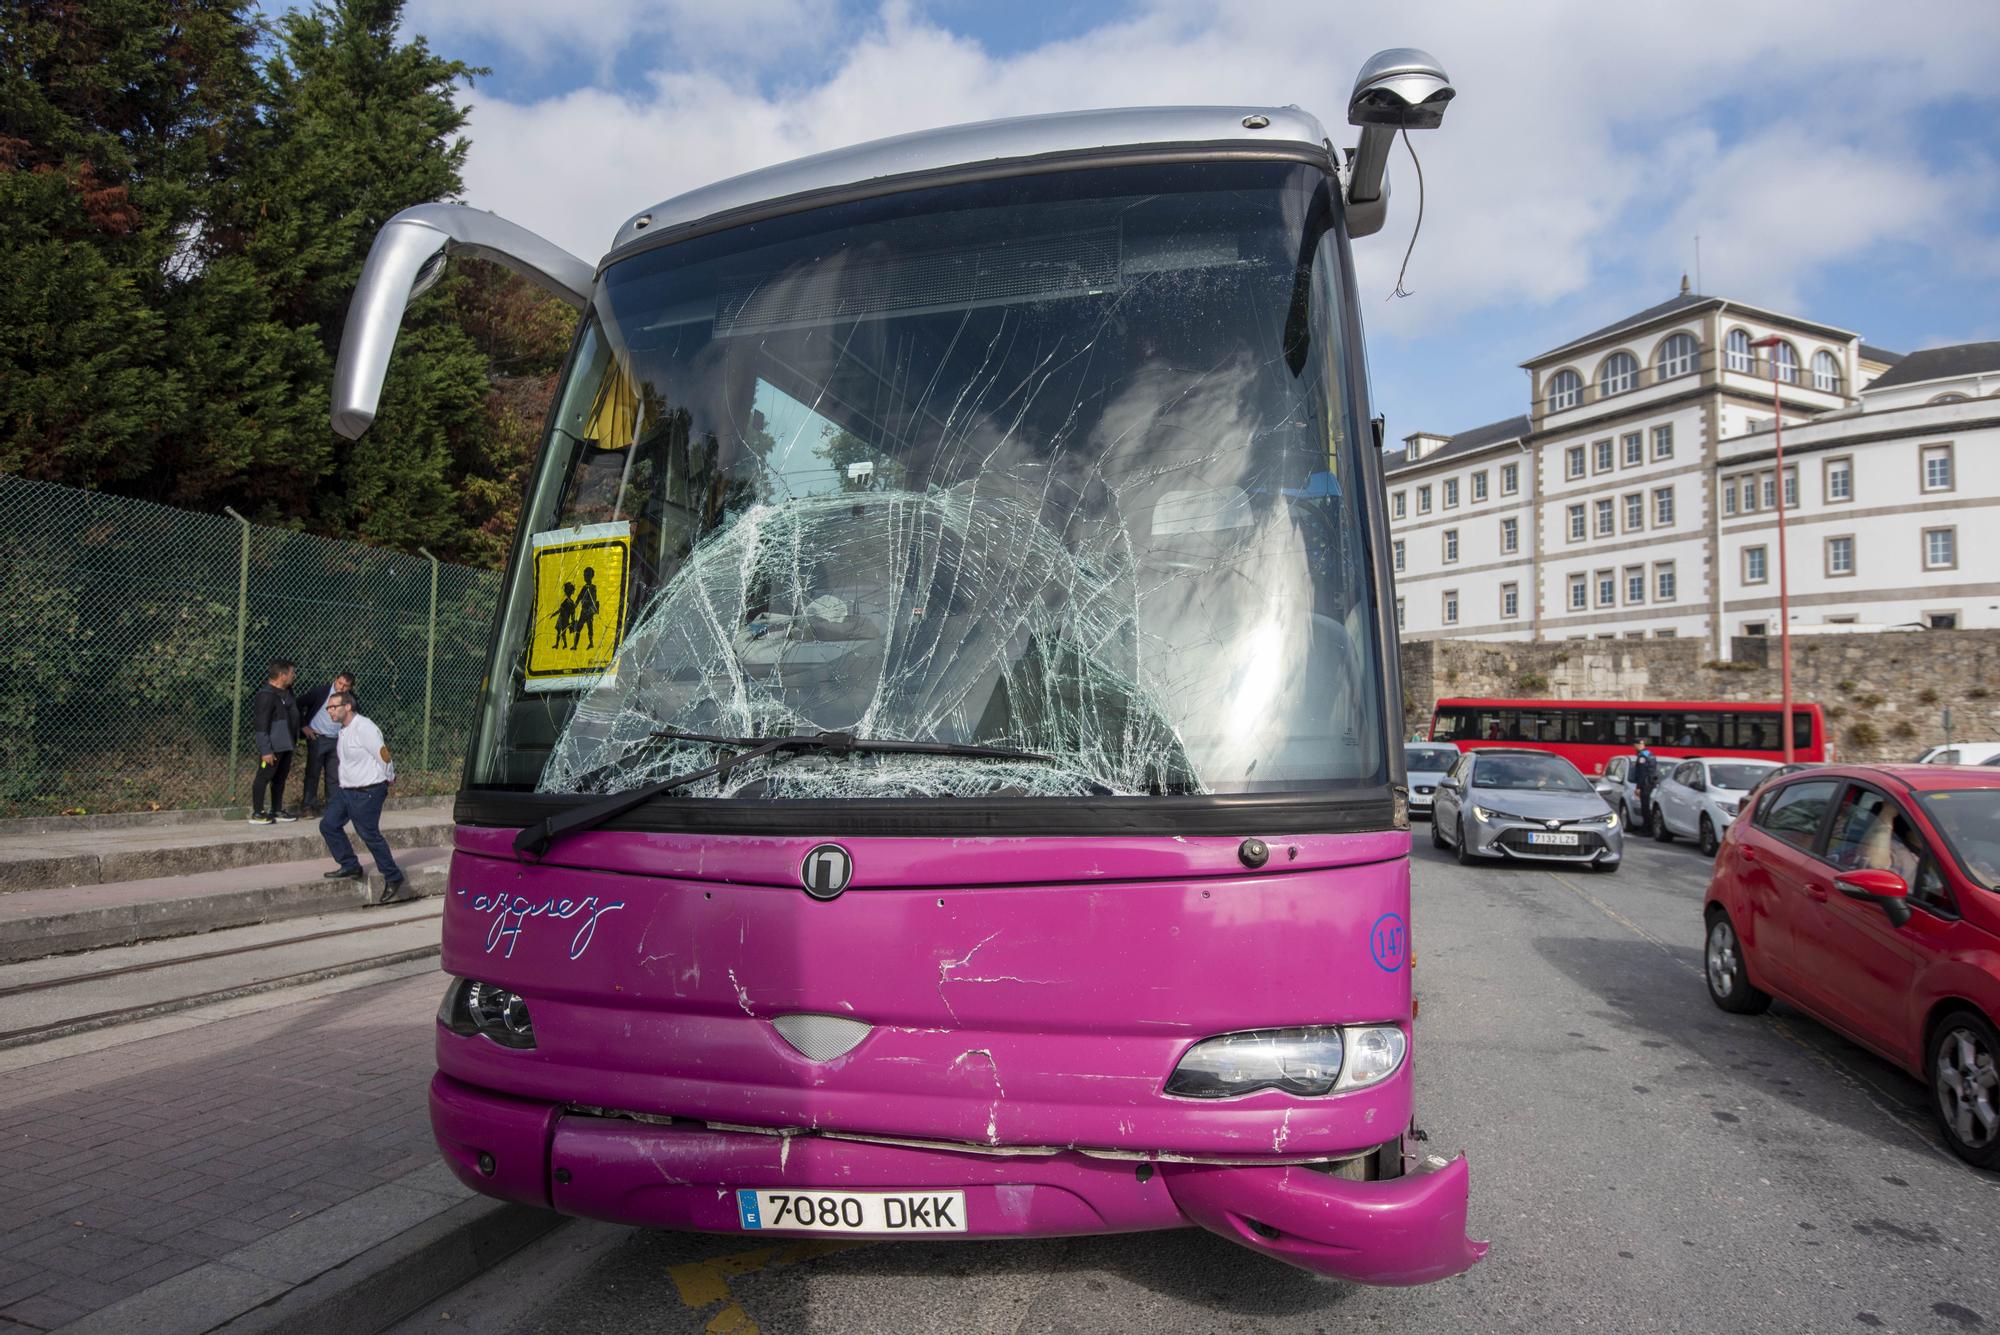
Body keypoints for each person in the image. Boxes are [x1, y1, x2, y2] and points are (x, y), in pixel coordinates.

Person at [318, 691, 409, 904]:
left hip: (368, 790)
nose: (329, 711)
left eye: (333, 707)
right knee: (329, 825)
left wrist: (389, 777)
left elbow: (383, 754)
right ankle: (350, 865)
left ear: (348, 706)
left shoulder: (364, 728)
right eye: (328, 708)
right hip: (346, 790)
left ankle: (393, 876)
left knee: (368, 833)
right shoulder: (344, 730)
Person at [297, 670, 356, 816]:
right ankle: (308, 806)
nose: (341, 687)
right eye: (340, 683)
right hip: (317, 738)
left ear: (350, 687)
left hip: (337, 740)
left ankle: (333, 808)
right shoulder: (321, 692)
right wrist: (304, 726)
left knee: (334, 776)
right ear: (335, 679)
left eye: (346, 686)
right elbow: (298, 704)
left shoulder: (351, 700)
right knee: (313, 773)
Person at [250, 659, 301, 825]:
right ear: (282, 675)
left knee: (280, 779)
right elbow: (261, 726)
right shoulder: (266, 695)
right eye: (292, 673)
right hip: (272, 747)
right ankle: (258, 812)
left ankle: (276, 810)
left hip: (287, 745)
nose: (294, 676)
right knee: (263, 777)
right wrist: (266, 750)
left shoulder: (288, 692)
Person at [1630, 738, 1660, 833]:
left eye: (1634, 745)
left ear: (1637, 745)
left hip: (1645, 784)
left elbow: (1642, 773)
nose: (1634, 747)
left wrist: (1638, 787)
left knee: (1645, 807)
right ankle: (1647, 828)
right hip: (1650, 783)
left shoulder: (1642, 756)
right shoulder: (1650, 754)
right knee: (1646, 807)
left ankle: (1647, 829)